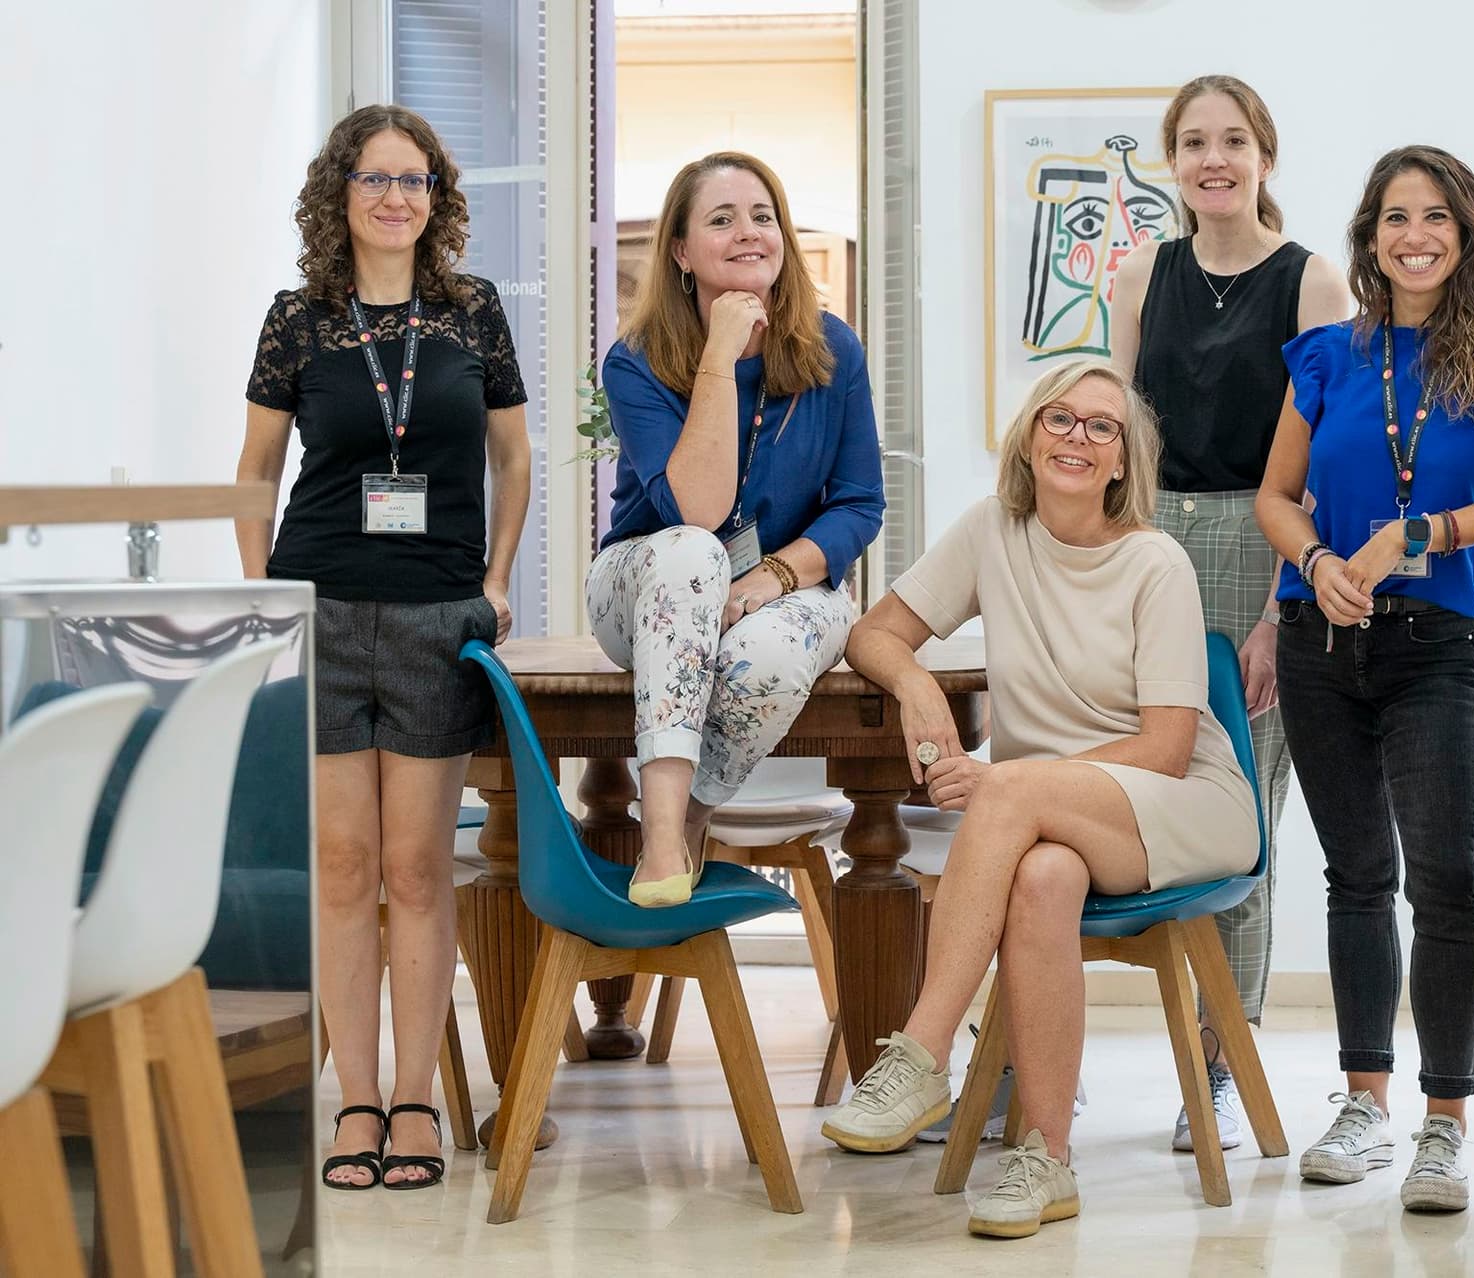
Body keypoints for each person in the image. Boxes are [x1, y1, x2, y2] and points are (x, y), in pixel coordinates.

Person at [821, 360, 1260, 1240]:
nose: (1076, 438)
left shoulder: (1155, 562)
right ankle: (1047, 1159)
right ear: (1029, 437)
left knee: (1013, 795)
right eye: (1059, 418)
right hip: (1050, 822)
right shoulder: (993, 531)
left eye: (1101, 427)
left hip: (1185, 805)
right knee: (1044, 878)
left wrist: (1007, 784)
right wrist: (917, 688)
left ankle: (921, 1052)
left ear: (1123, 462)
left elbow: (1167, 749)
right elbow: (874, 633)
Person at [1254, 144, 1474, 1212]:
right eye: (1396, 216)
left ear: (1466, 232)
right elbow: (1276, 497)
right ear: (1371, 236)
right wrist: (1316, 562)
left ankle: (1444, 1122)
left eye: (1436, 215)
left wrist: (1419, 532)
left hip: (1440, 646)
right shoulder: (1326, 356)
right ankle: (1363, 1106)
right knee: (1356, 878)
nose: (1415, 235)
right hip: (1322, 641)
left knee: (1440, 882)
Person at [237, 104, 531, 1189]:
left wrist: (496, 581)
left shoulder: (472, 311)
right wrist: (263, 594)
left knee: (414, 867)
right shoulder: (299, 318)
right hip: (320, 605)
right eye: (376, 178)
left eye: (415, 180)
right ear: (341, 192)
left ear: (436, 199)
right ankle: (353, 1102)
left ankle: (417, 1100)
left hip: (433, 615)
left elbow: (514, 458)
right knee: (343, 867)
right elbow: (257, 469)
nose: (396, 197)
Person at [1106, 73, 1352, 1152]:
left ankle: (1219, 1061)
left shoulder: (1312, 282)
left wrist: (1279, 609)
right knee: (1141, 800)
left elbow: (1324, 468)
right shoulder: (1140, 275)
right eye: (1195, 142)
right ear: (1174, 161)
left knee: (1241, 815)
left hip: (1265, 545)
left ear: (1265, 157)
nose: (1214, 160)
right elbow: (1117, 440)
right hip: (1150, 549)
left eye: (1234, 141)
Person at [589, 151, 883, 906]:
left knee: (771, 657)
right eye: (722, 219)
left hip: (789, 584)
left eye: (763, 216)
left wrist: (771, 577)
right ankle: (660, 837)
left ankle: (690, 814)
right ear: (682, 252)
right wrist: (718, 355)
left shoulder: (834, 350)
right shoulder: (636, 362)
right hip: (648, 587)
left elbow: (859, 504)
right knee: (692, 552)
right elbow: (697, 511)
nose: (749, 232)